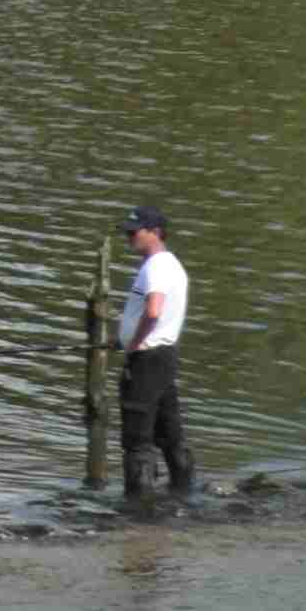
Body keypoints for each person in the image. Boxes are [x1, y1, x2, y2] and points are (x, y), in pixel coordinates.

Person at [117, 203, 195, 507]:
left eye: (135, 232)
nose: (130, 237)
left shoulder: (157, 266)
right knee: (169, 432)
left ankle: (138, 508)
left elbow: (153, 311)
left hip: (148, 359)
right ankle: (185, 493)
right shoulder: (171, 264)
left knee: (137, 439)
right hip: (164, 357)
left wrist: (134, 344)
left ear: (156, 232)